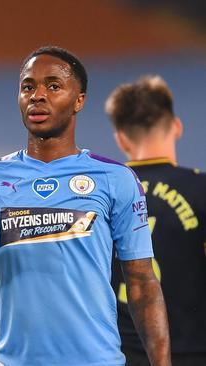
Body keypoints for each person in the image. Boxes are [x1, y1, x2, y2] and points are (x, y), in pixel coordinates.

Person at [0, 46, 171, 365]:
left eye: (53, 85)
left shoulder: (114, 179)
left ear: (79, 100)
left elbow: (142, 284)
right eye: (28, 86)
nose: (38, 95)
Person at [106, 75, 206, 366]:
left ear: (121, 138)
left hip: (117, 358)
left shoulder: (99, 196)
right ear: (176, 127)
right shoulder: (200, 190)